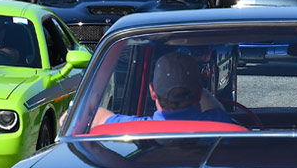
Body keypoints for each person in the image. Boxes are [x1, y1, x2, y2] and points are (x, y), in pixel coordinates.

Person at [93, 51, 232, 126]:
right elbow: (217, 110)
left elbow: (94, 117)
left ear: (152, 91)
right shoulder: (222, 125)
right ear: (200, 92)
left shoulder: (131, 129)